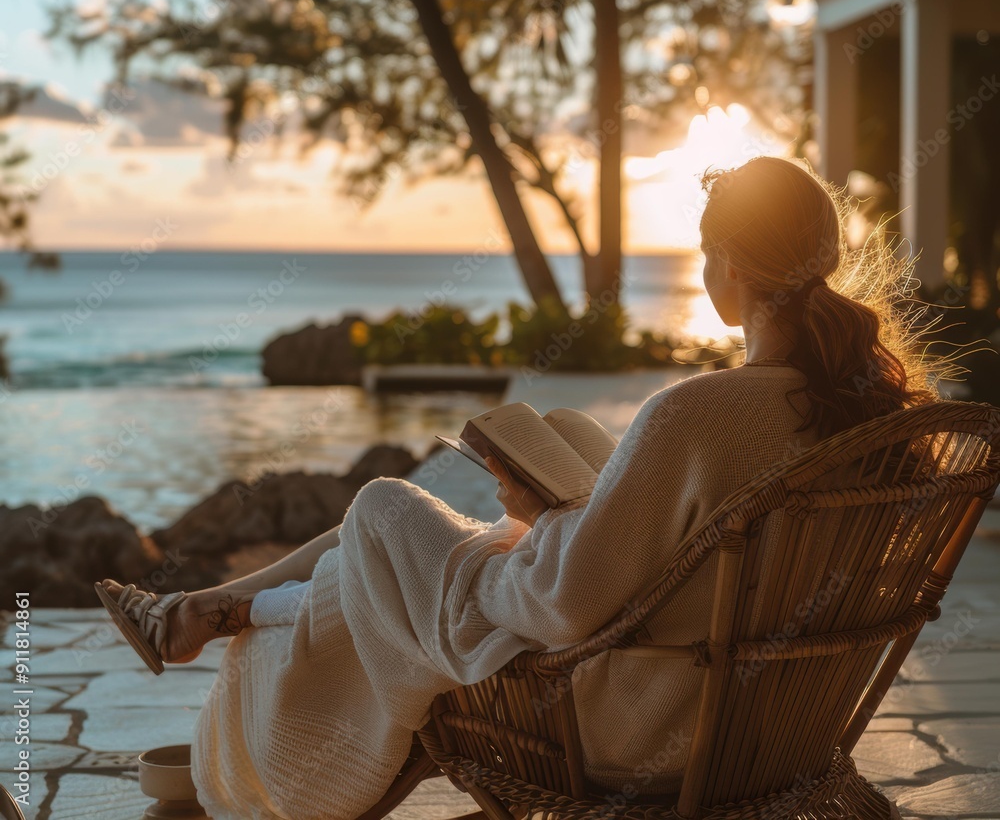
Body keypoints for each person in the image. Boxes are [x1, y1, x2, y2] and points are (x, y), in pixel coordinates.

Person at [96, 157, 937, 820]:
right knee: (566, 433)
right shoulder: (872, 411)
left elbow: (562, 607)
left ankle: (220, 613)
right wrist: (561, 521)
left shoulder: (697, 415)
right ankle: (215, 608)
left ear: (723, 264)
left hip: (634, 719)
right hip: (768, 721)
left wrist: (542, 519)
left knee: (384, 514)